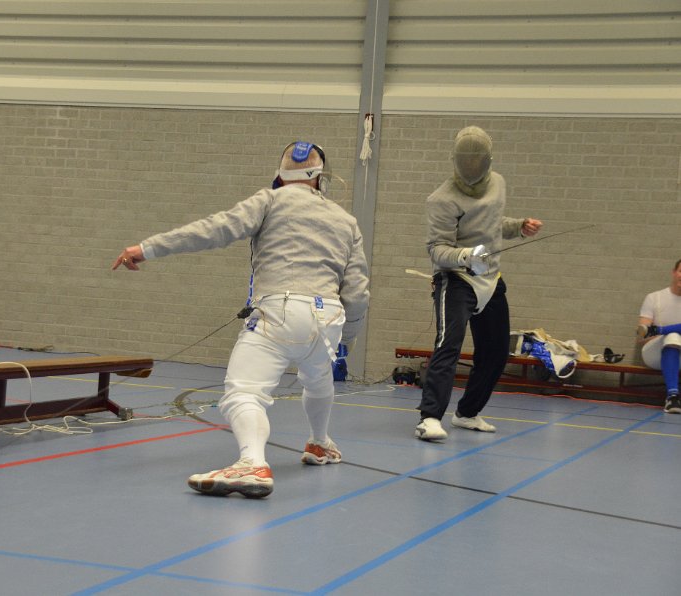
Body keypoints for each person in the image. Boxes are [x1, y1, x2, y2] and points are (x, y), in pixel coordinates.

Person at [112, 142, 370, 497]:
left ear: (281, 176)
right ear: (319, 178)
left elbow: (213, 229)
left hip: (278, 311)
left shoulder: (269, 200)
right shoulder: (346, 221)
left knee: (243, 393)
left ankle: (252, 463)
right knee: (318, 379)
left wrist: (147, 248)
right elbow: (357, 292)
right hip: (327, 318)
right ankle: (320, 442)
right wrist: (347, 339)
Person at [416, 126, 542, 442]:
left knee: (496, 351)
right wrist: (466, 256)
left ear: (487, 160)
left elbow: (491, 225)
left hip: (491, 278)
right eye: (466, 160)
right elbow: (437, 249)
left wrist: (518, 227)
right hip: (456, 278)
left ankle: (467, 413)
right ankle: (430, 418)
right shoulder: (441, 199)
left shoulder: (498, 183)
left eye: (477, 160)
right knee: (448, 344)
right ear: (456, 160)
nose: (471, 166)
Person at [638, 259, 681, 414]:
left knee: (673, 335)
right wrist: (666, 336)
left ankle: (660, 330)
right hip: (654, 354)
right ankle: (672, 397)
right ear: (674, 272)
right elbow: (642, 336)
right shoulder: (654, 298)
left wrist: (659, 330)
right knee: (673, 337)